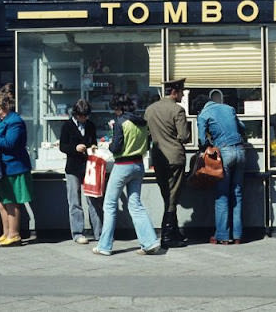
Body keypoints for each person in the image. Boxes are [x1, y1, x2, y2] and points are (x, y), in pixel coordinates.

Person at [93, 94, 160, 256]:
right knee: (135, 204)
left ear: (119, 108)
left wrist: (108, 143)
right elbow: (147, 144)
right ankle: (150, 242)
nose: (114, 112)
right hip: (138, 165)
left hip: (123, 166)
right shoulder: (142, 123)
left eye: (115, 108)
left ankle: (104, 245)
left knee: (109, 204)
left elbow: (115, 148)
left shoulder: (120, 122)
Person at [0, 84, 33, 247]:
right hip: (0, 167)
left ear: (7, 107)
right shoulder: (2, 120)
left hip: (13, 166)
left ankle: (14, 234)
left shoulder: (15, 121)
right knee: (2, 202)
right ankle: (6, 232)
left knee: (11, 201)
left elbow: (10, 143)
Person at [144, 78, 191, 248]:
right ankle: (167, 236)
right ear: (175, 92)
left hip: (158, 157)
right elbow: (184, 136)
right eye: (182, 92)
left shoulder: (150, 110)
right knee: (173, 195)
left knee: (167, 194)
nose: (182, 95)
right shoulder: (177, 110)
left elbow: (147, 133)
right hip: (175, 157)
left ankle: (174, 232)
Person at [194, 94, 246, 245]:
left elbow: (202, 140)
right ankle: (238, 235)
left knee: (222, 195)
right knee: (237, 194)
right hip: (241, 152)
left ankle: (222, 236)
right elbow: (242, 127)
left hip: (224, 153)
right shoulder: (229, 108)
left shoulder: (203, 114)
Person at [59, 99, 102, 244]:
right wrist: (75, 148)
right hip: (73, 167)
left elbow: (93, 141)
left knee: (93, 200)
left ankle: (99, 233)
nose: (84, 118)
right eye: (82, 116)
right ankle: (78, 233)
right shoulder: (67, 126)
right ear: (76, 114)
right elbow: (62, 146)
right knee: (75, 201)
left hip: (89, 166)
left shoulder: (90, 125)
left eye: (86, 116)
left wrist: (93, 147)